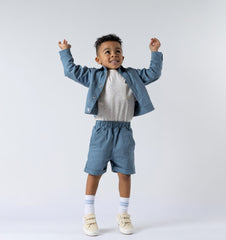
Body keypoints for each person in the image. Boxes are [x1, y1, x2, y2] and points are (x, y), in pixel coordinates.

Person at [58, 34, 163, 236]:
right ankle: (89, 215)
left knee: (125, 172)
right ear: (98, 60)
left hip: (124, 130)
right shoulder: (94, 76)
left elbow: (153, 74)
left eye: (117, 51)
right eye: (107, 52)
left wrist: (155, 53)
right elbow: (71, 71)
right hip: (101, 130)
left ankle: (123, 214)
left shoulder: (132, 75)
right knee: (94, 171)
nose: (113, 55)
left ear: (123, 57)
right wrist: (65, 51)